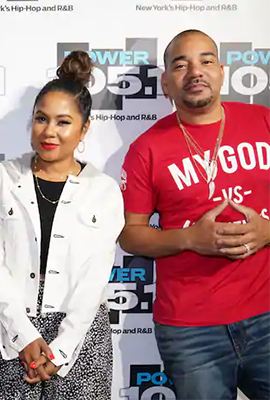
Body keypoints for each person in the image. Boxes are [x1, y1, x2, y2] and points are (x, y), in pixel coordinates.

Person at [119, 29, 270, 400]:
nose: (195, 72)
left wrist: (268, 231)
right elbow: (130, 234)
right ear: (166, 84)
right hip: (190, 332)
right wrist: (189, 239)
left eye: (205, 61)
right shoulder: (146, 150)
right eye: (180, 65)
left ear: (221, 71)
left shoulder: (264, 122)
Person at [0, 50, 125, 400]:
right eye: (41, 119)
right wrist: (24, 335)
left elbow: (95, 275)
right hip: (11, 329)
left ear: (84, 127)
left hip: (81, 333)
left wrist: (62, 348)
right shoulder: (1, 178)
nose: (49, 132)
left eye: (63, 121)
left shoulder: (103, 190)